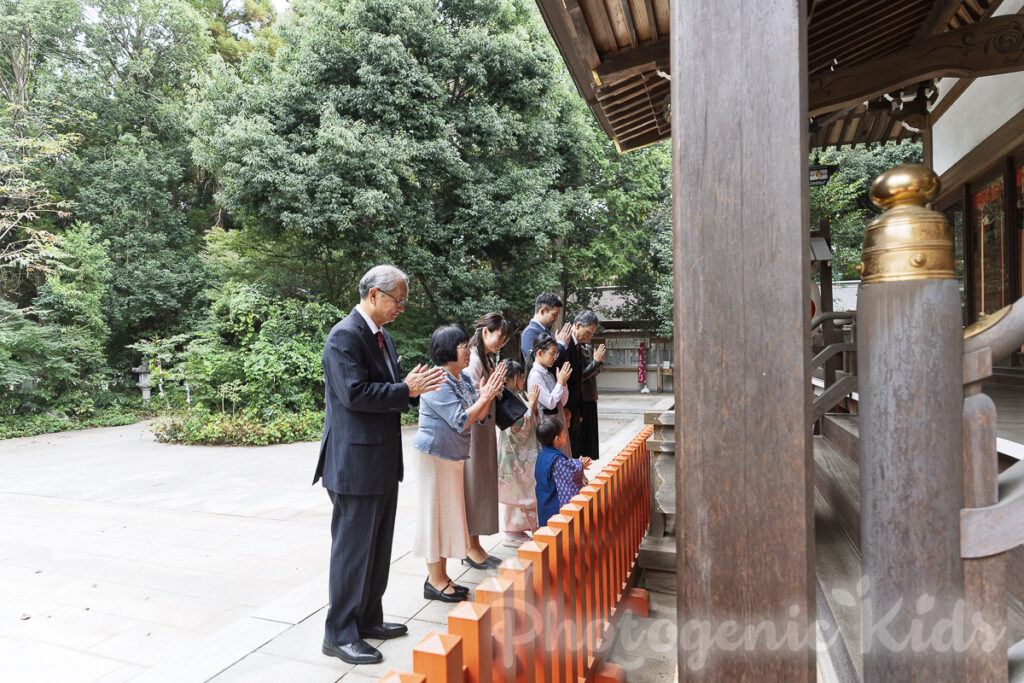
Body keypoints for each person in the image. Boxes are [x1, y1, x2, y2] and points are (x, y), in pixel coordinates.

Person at [314, 265, 446, 666]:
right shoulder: (344, 336)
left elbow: (383, 389)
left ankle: (368, 619)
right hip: (355, 463)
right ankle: (339, 633)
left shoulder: (382, 336)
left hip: (381, 460)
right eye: (398, 300)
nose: (401, 308)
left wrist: (405, 387)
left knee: (377, 549)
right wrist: (406, 389)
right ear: (373, 295)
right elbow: (354, 394)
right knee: (353, 552)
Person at [412, 325, 507, 601]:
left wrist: (486, 394)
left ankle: (441, 577)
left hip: (452, 457)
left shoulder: (462, 378)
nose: (468, 350)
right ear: (447, 350)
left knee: (447, 516)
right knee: (434, 516)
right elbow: (460, 419)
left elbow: (479, 417)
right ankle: (435, 580)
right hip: (433, 457)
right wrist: (485, 396)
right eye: (463, 345)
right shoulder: (436, 380)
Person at [462, 313, 511, 569]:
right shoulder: (473, 359)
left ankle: (476, 544)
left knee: (480, 486)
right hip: (475, 429)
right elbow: (469, 395)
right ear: (485, 332)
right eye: (499, 337)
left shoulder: (484, 357)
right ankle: (470, 547)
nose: (500, 342)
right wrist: (490, 390)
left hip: (483, 427)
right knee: (473, 487)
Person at [496, 361, 541, 546]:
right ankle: (511, 532)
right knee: (519, 492)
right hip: (515, 455)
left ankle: (516, 530)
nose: (523, 379)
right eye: (520, 375)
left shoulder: (514, 395)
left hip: (518, 455)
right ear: (509, 379)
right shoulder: (504, 398)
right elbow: (518, 427)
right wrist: (531, 405)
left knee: (519, 491)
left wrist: (531, 406)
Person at [534, 418, 592, 526]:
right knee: (557, 526)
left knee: (547, 525)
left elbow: (565, 464)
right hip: (553, 500)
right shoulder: (556, 459)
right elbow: (571, 473)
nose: (566, 435)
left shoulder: (543, 453)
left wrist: (577, 462)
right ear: (557, 439)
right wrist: (580, 465)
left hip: (544, 497)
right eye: (563, 433)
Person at [566, 310, 606, 459]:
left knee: (587, 444)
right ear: (578, 325)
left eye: (592, 334)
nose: (590, 337)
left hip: (590, 397)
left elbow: (592, 373)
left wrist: (597, 363)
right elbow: (580, 376)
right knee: (579, 442)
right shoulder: (569, 345)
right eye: (588, 332)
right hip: (579, 399)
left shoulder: (586, 347)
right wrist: (596, 362)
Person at [527, 332, 572, 458]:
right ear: (540, 353)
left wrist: (563, 384)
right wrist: (560, 383)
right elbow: (550, 404)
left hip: (557, 423)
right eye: (552, 353)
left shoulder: (549, 374)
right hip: (548, 429)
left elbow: (562, 402)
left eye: (556, 353)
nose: (555, 357)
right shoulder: (535, 375)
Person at [520, 291, 572, 368]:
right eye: (554, 314)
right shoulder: (529, 333)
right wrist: (561, 345)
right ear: (542, 311)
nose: (556, 319)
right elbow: (537, 363)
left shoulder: (548, 332)